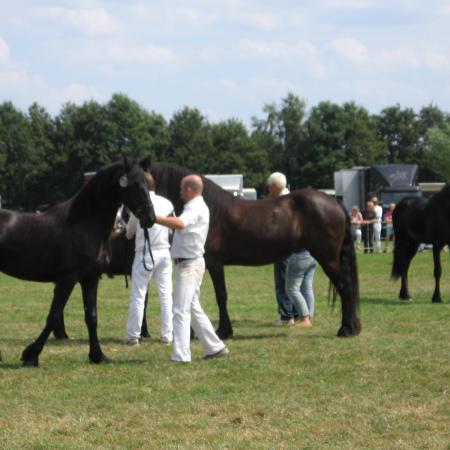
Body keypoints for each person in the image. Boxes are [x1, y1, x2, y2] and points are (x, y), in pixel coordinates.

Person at [154, 174, 229, 362]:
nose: (179, 193)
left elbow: (180, 224)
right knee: (193, 308)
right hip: (189, 264)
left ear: (189, 189)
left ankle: (181, 354)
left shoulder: (195, 208)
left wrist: (154, 218)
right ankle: (215, 347)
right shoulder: (194, 207)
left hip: (190, 265)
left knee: (180, 309)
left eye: (181, 189)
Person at [124, 173, 174, 346]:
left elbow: (129, 233)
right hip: (164, 252)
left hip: (144, 253)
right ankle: (167, 335)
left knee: (138, 295)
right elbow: (171, 229)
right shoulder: (167, 203)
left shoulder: (138, 205)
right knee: (166, 294)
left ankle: (133, 336)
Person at [267, 171, 299, 326]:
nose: (268, 190)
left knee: (282, 281)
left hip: (283, 246)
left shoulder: (281, 202)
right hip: (294, 247)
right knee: (293, 282)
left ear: (274, 186)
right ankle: (296, 312)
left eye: (269, 187)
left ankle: (286, 316)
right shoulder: (292, 199)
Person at [285, 249, 318, 327]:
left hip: (299, 256)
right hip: (313, 255)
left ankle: (304, 318)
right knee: (307, 288)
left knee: (292, 289)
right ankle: (308, 318)